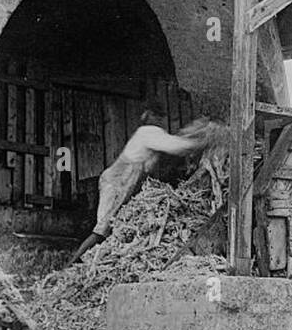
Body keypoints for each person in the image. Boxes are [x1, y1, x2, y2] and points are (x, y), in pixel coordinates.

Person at [70, 110, 209, 264]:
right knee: (102, 230)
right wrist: (204, 139)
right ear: (150, 118)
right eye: (159, 116)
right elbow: (177, 146)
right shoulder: (148, 132)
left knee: (110, 229)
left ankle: (95, 262)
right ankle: (72, 264)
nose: (161, 120)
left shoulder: (150, 133)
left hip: (122, 184)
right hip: (116, 184)